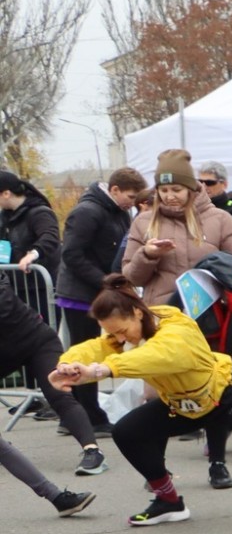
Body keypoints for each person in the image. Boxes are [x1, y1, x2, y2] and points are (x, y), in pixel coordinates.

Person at [51, 275, 232, 525]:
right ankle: (168, 502)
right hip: (183, 405)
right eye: (114, 334)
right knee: (126, 432)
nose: (120, 340)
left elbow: (156, 356)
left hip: (229, 396)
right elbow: (97, 347)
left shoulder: (176, 329)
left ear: (137, 313)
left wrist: (100, 370)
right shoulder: (125, 333)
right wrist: (67, 366)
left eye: (122, 331)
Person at [55, 167, 145, 434]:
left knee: (93, 351)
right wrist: (106, 280)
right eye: (130, 196)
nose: (133, 202)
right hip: (80, 295)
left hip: (96, 292)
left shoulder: (116, 210)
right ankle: (88, 416)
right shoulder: (87, 212)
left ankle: (75, 415)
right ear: (114, 189)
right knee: (85, 352)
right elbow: (72, 254)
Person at [0, 277, 105, 479]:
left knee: (58, 392)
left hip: (37, 341)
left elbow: (3, 306)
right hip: (5, 353)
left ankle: (93, 451)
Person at [120, 149, 232, 302]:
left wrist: (222, 272)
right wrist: (147, 255)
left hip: (210, 312)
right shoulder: (143, 222)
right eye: (163, 190)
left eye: (177, 190)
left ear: (191, 188)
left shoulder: (220, 219)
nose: (169, 196)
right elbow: (132, 278)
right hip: (163, 315)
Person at [0, 171, 59, 286]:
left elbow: (50, 236)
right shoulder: (4, 217)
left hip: (40, 286)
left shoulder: (40, 213)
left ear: (6, 194)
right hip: (15, 285)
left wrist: (32, 255)